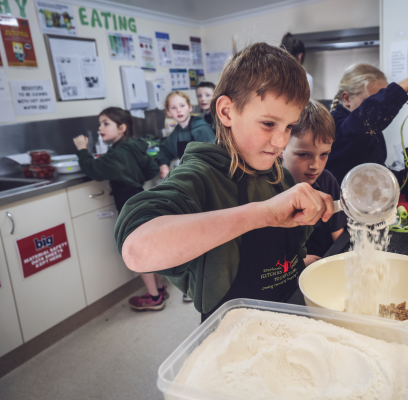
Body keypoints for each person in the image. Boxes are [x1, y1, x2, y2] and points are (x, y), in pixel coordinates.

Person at [115, 42, 334, 322]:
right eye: (268, 124)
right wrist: (263, 214)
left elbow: (284, 257)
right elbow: (137, 251)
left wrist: (301, 264)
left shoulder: (282, 177)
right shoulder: (199, 176)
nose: (281, 142)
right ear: (227, 111)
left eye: (289, 126)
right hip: (231, 334)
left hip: (287, 319)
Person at [73, 107, 167, 311]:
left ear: (122, 128)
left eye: (106, 123)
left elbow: (93, 170)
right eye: (99, 124)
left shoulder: (117, 154)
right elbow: (151, 169)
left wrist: (82, 149)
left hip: (128, 205)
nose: (100, 128)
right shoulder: (133, 147)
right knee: (147, 248)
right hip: (139, 200)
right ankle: (159, 289)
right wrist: (133, 178)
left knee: (138, 252)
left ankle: (154, 298)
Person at [327, 64, 408, 184]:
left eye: (380, 98)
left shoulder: (371, 129)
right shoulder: (333, 127)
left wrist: (404, 178)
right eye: (371, 101)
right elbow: (360, 124)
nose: (377, 106)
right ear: (346, 99)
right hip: (340, 200)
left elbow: (376, 172)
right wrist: (401, 88)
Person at [281, 100, 346, 260]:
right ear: (281, 147)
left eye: (324, 154)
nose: (315, 166)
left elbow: (338, 236)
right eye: (303, 154)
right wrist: (297, 265)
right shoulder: (269, 186)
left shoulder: (328, 182)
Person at [156, 91, 215, 179]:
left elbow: (213, 157)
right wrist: (163, 165)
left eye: (182, 106)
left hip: (205, 177)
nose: (178, 110)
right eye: (173, 107)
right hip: (189, 176)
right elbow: (165, 149)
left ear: (190, 107)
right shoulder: (177, 131)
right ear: (168, 112)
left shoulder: (202, 128)